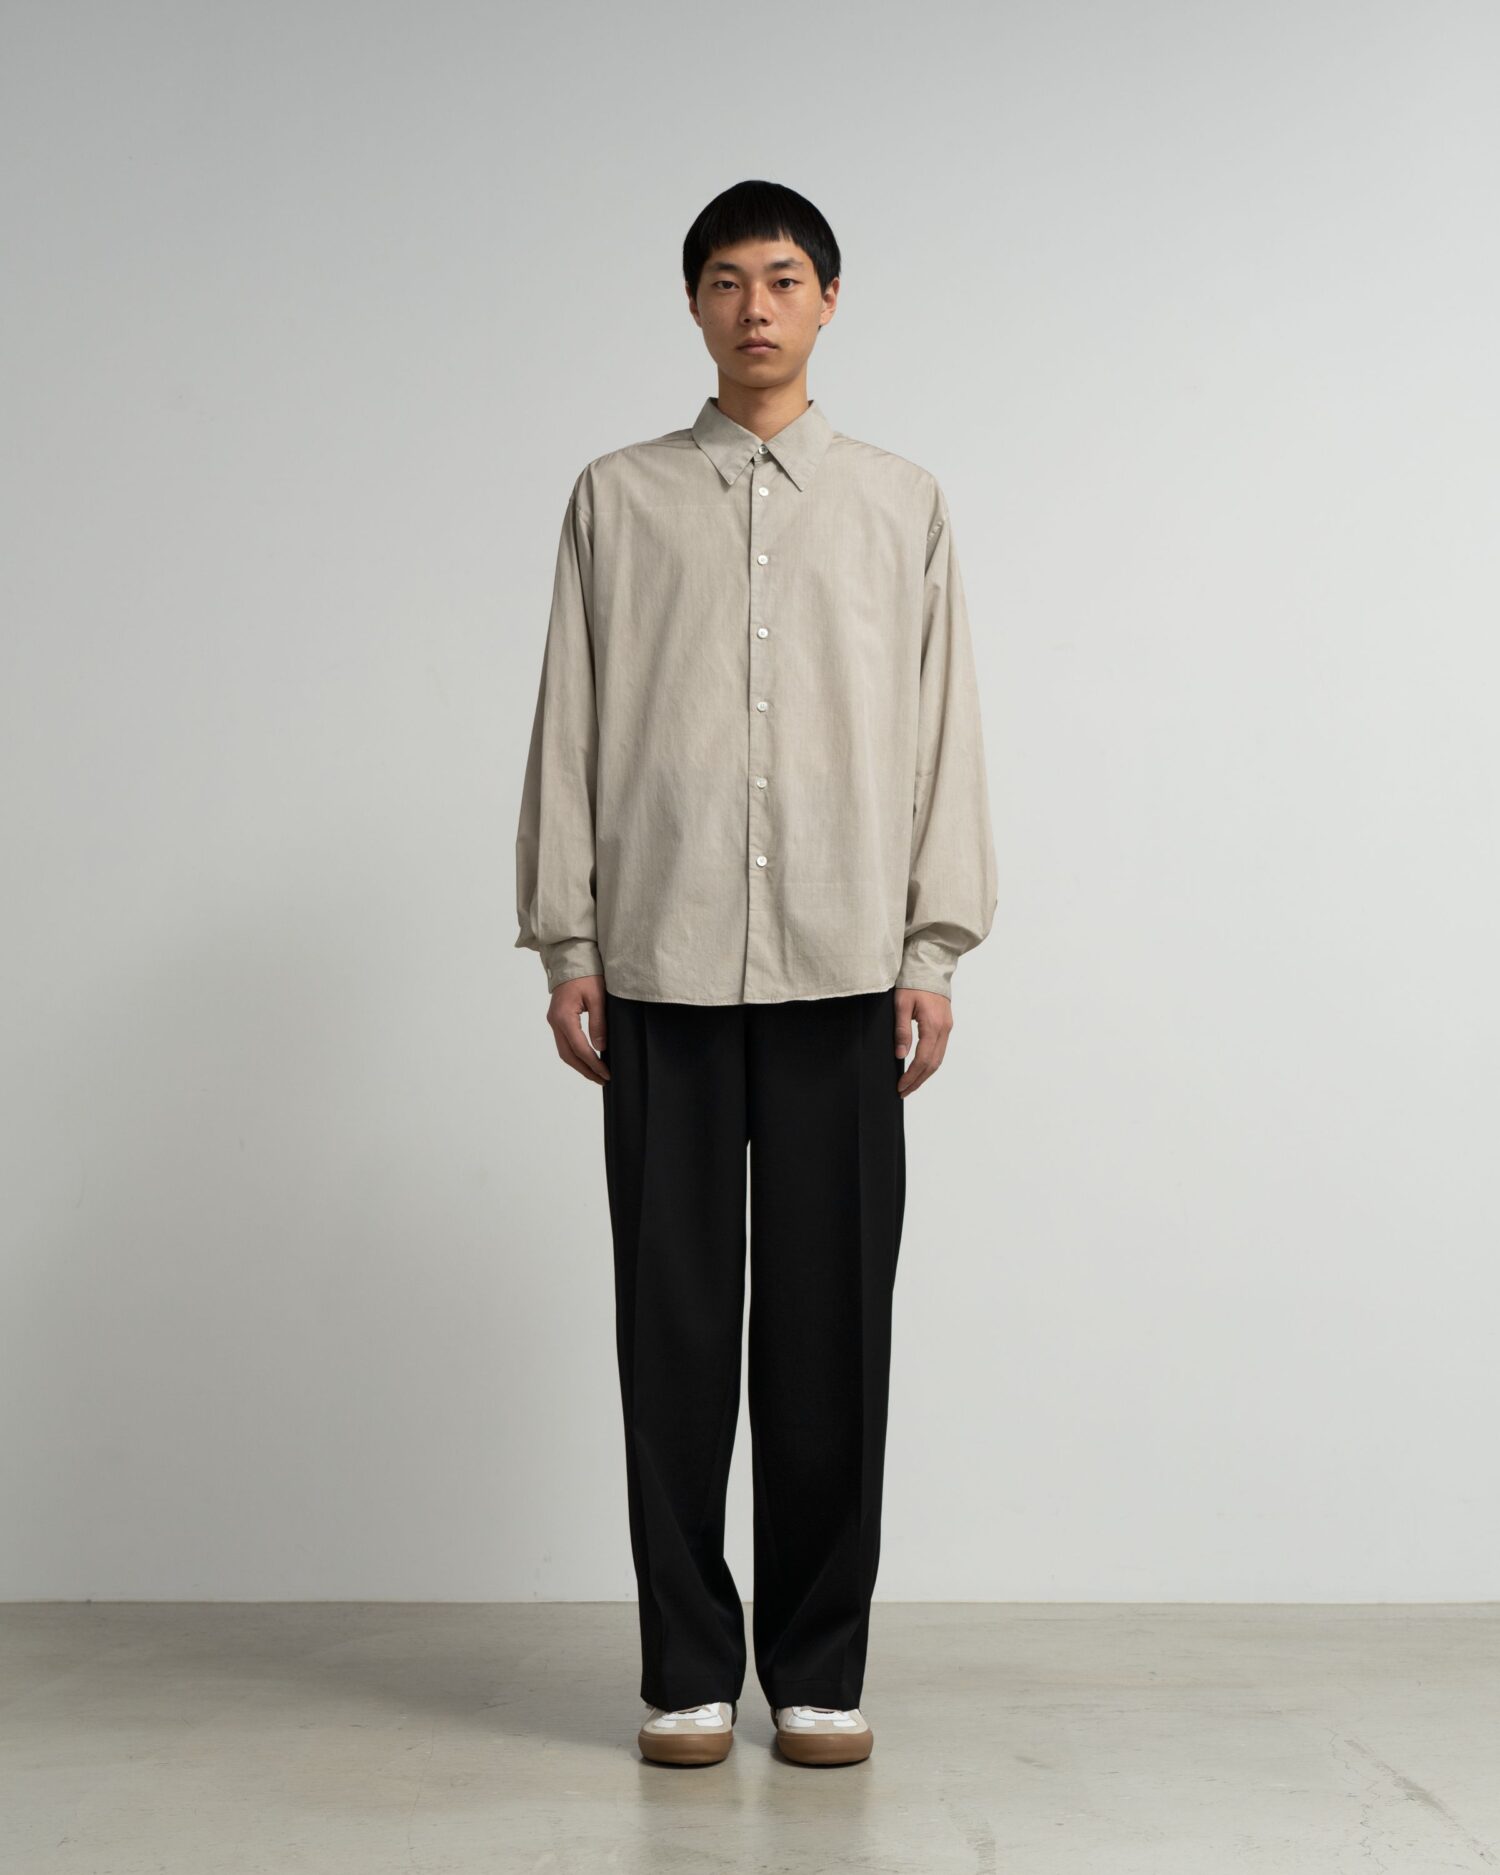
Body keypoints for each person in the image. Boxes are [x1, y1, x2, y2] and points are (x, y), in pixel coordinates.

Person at [514, 178, 998, 1767]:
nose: (757, 308)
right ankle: (686, 1668)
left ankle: (818, 1667)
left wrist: (930, 948)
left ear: (830, 300)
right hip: (656, 966)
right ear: (694, 305)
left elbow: (942, 734)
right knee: (670, 1332)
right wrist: (569, 938)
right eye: (726, 281)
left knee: (829, 1334)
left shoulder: (903, 503)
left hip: (845, 968)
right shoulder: (617, 498)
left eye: (784, 279)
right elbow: (570, 722)